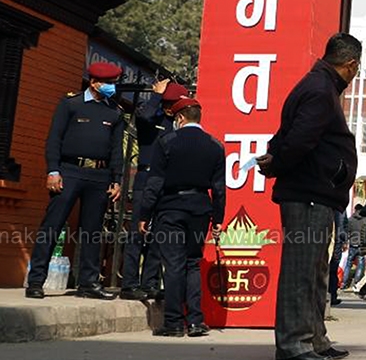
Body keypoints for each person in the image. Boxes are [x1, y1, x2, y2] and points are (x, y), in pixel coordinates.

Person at [256, 33, 360, 360]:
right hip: (308, 194)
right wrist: (278, 162)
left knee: (315, 270)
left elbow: (287, 135)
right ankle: (293, 342)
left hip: (317, 194)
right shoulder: (319, 90)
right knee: (301, 268)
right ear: (350, 65)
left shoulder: (318, 86)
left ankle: (314, 337)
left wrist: (275, 157)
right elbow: (299, 139)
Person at [26, 61, 125, 300]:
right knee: (53, 226)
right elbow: (54, 140)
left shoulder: (115, 112)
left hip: (99, 176)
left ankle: (88, 283)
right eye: (108, 83)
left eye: (114, 83)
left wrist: (117, 180)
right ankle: (36, 281)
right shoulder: (70, 104)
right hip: (69, 170)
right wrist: (53, 171)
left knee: (92, 231)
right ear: (93, 82)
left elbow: (116, 151)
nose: (112, 87)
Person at [137, 98, 225, 337]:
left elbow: (154, 182)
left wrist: (145, 213)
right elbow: (219, 188)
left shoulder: (167, 141)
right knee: (193, 263)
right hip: (200, 209)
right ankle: (196, 321)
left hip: (171, 207)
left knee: (173, 264)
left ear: (180, 118)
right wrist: (218, 218)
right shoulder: (215, 146)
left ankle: (174, 322)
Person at [120, 79, 187, 300]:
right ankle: (129, 284)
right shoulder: (151, 119)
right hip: (146, 179)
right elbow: (144, 115)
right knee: (137, 234)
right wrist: (156, 96)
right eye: (172, 103)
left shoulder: (178, 125)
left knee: (159, 236)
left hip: (168, 184)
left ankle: (149, 283)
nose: (175, 108)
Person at [343, 204, 366, 289]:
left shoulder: (350, 220)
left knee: (348, 264)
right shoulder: (365, 220)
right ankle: (356, 283)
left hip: (352, 244)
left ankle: (344, 283)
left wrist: (346, 242)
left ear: (355, 209)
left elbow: (347, 232)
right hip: (361, 245)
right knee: (360, 265)